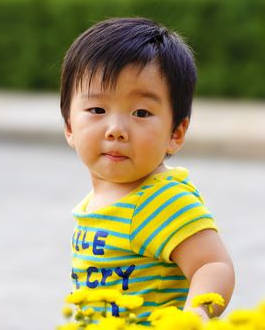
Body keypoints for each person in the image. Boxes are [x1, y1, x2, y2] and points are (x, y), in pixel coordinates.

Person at [60, 17, 235, 324]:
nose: (116, 130)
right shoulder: (98, 201)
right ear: (70, 126)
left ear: (175, 133)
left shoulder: (161, 198)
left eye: (141, 113)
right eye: (97, 110)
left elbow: (212, 265)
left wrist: (194, 318)